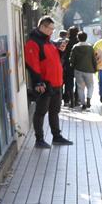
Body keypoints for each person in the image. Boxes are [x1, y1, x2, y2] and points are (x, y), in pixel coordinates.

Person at [25, 16, 71, 148]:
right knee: (40, 112)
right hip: (45, 85)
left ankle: (56, 136)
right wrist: (39, 82)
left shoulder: (49, 42)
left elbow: (54, 61)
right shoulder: (33, 43)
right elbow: (32, 64)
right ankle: (39, 139)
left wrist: (61, 51)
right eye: (50, 28)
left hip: (56, 83)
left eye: (53, 28)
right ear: (43, 27)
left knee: (54, 111)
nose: (52, 31)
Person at [69, 31, 96, 110]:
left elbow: (71, 59)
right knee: (90, 86)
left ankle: (83, 104)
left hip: (78, 70)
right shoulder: (90, 47)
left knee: (80, 87)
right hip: (89, 70)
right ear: (86, 38)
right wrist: (95, 68)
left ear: (78, 38)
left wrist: (72, 65)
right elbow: (93, 59)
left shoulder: (75, 47)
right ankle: (88, 99)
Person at [62, 26, 79, 108]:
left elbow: (63, 53)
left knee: (69, 83)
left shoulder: (66, 42)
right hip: (78, 65)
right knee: (78, 83)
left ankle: (68, 100)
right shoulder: (79, 42)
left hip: (68, 64)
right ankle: (76, 100)